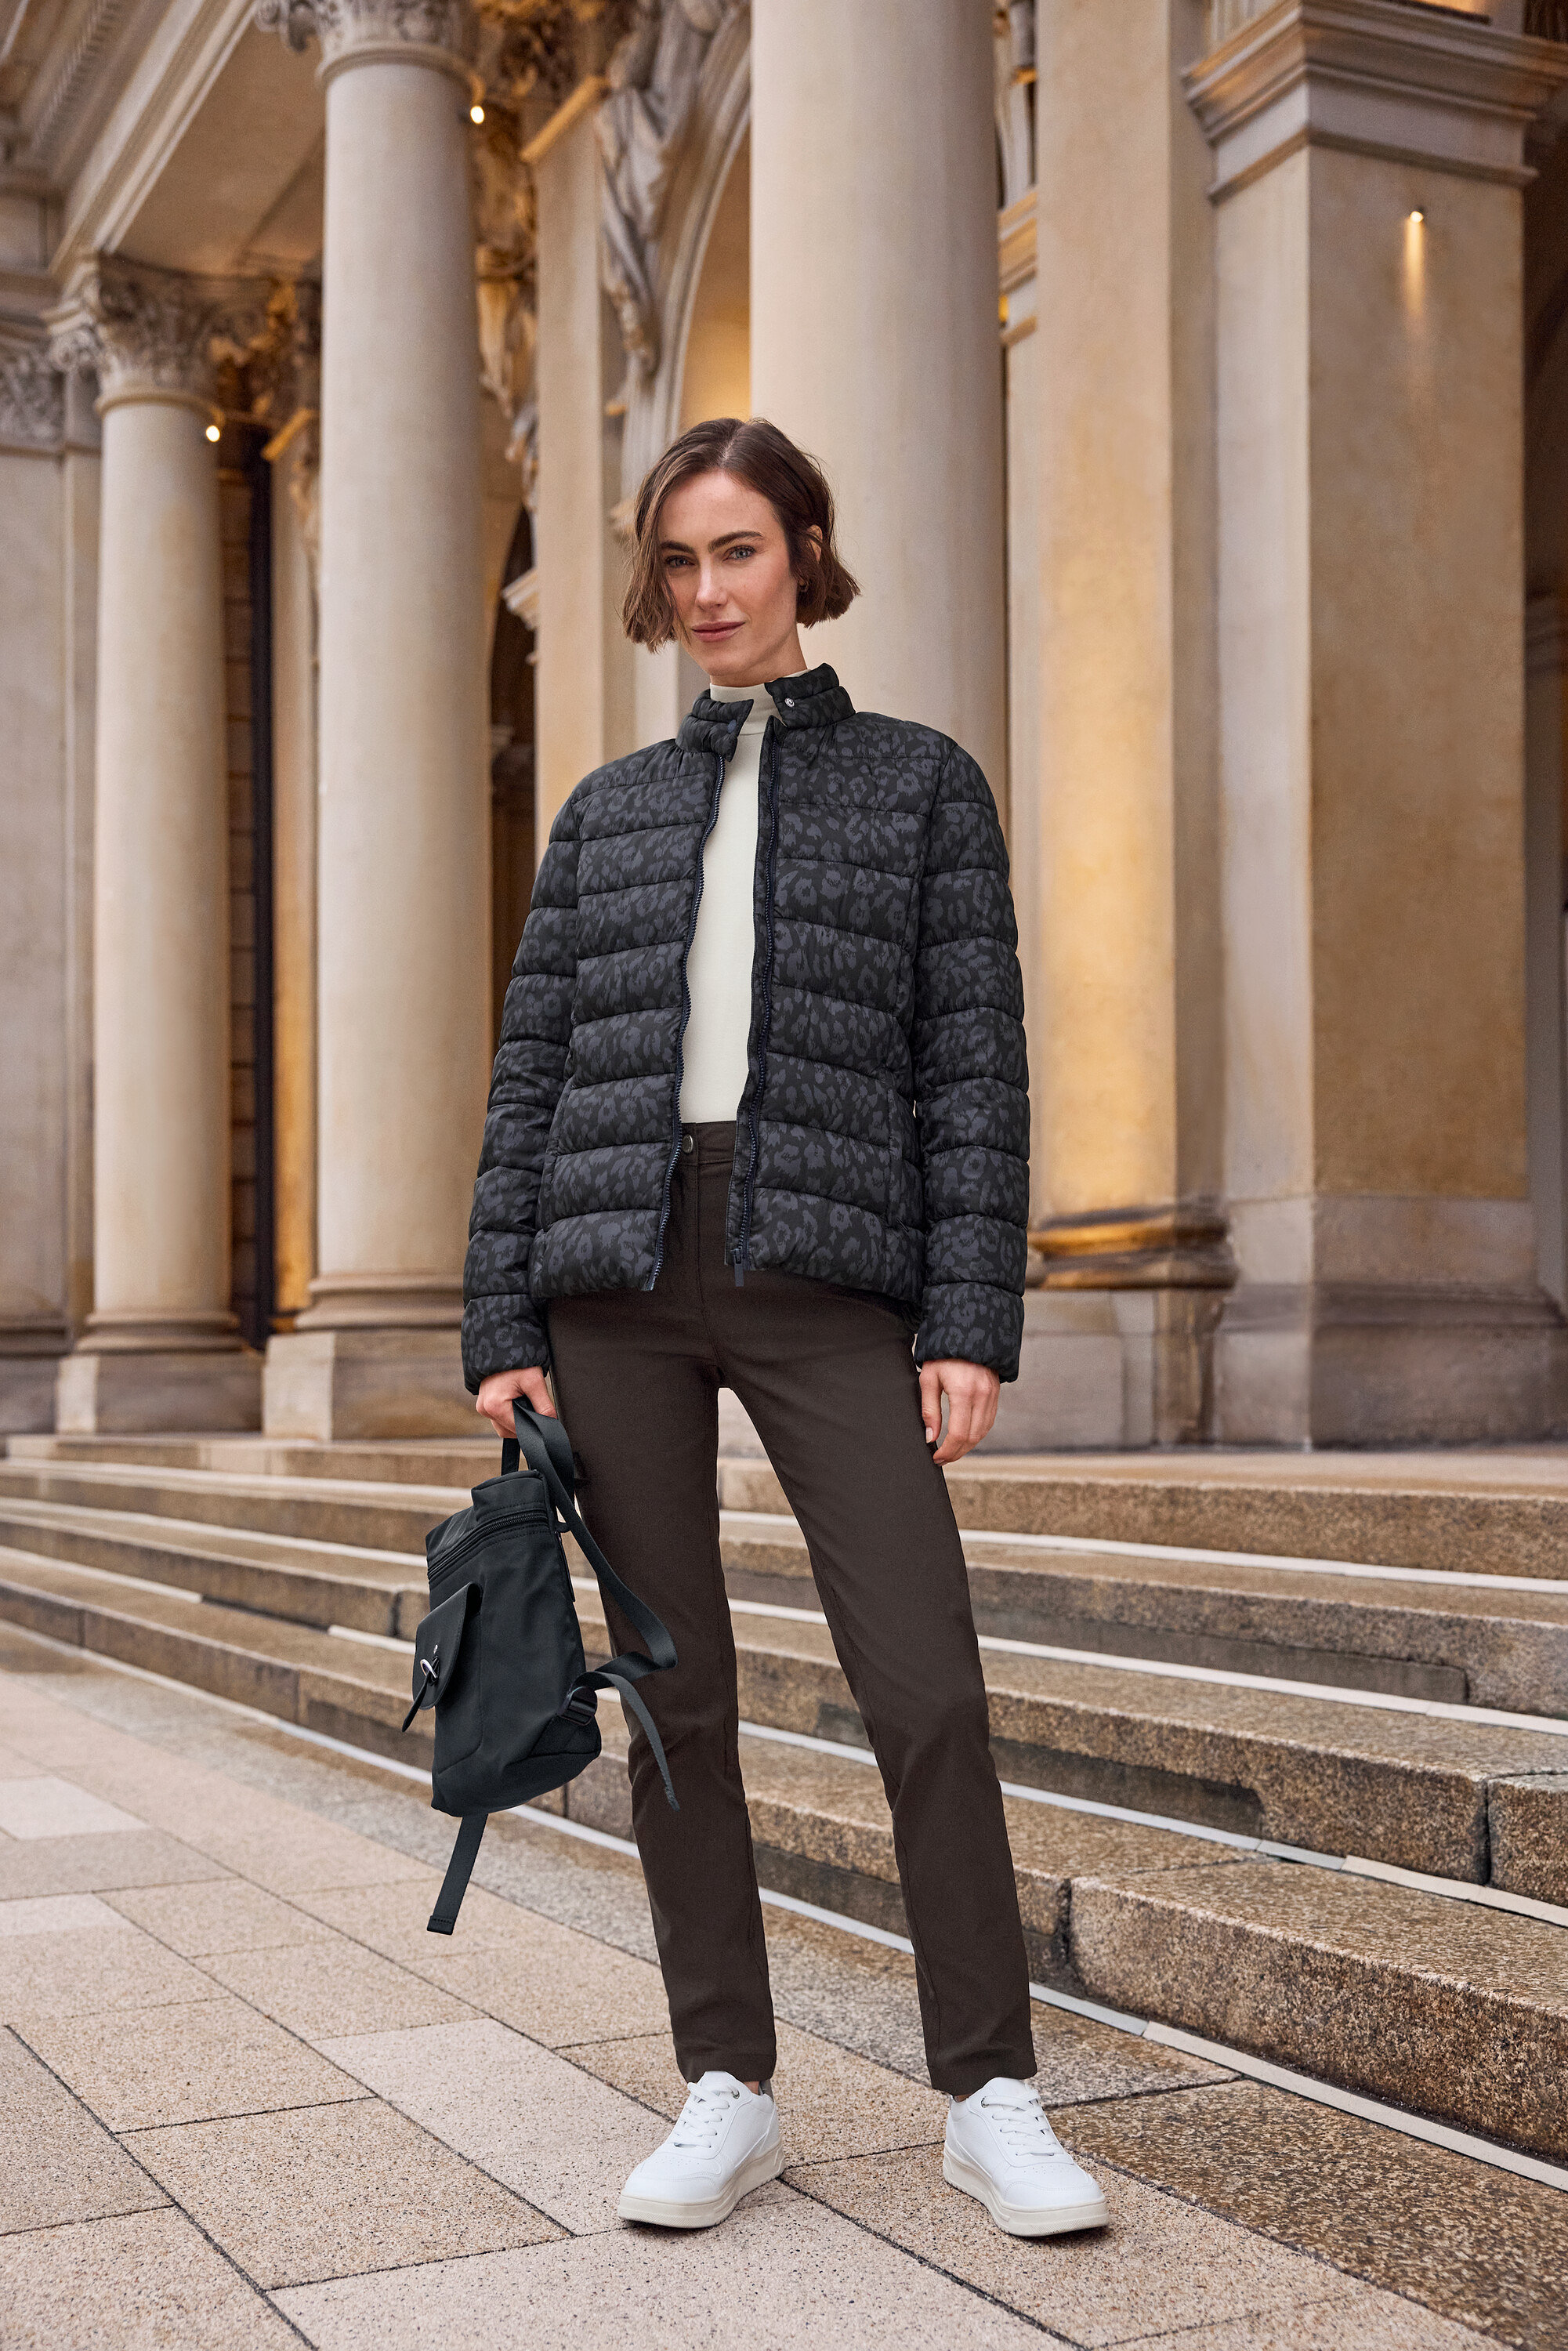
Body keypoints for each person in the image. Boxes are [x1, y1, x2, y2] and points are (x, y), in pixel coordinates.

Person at [462, 415, 1108, 2241]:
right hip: (616, 1283)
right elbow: (530, 1081)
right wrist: (498, 1313)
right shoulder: (606, 810)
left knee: (923, 1684)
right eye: (675, 562)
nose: (705, 593)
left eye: (736, 551)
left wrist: (966, 1310)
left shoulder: (918, 785)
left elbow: (974, 1066)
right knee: (679, 1700)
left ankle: (989, 2095)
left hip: (830, 1275)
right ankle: (723, 2082)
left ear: (803, 554)